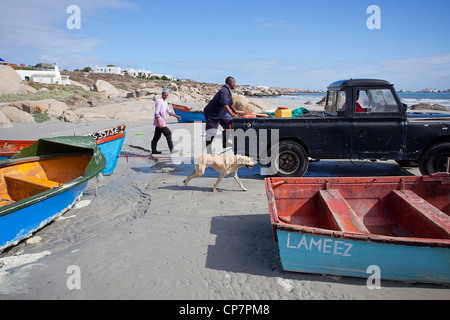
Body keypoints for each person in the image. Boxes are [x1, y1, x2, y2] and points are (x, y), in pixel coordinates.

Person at [203, 76, 242, 153]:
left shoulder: (228, 91)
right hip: (212, 114)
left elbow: (230, 103)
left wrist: (235, 111)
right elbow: (224, 104)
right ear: (230, 82)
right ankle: (209, 151)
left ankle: (225, 142)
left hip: (221, 114)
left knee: (230, 124)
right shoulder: (224, 91)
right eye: (234, 83)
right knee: (211, 132)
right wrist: (231, 114)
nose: (235, 84)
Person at [151, 88, 181, 154]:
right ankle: (172, 150)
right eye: (165, 95)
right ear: (162, 94)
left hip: (160, 122)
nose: (166, 96)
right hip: (160, 121)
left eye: (167, 95)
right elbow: (156, 113)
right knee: (168, 134)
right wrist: (159, 122)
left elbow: (169, 111)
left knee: (157, 136)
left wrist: (176, 116)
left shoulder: (165, 102)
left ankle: (154, 150)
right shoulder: (159, 101)